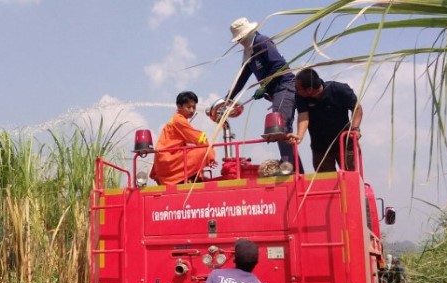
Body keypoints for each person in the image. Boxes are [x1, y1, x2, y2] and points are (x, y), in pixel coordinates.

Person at [227, 17, 303, 173]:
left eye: (241, 38)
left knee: (279, 124)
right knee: (280, 128)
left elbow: (279, 66)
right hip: (275, 91)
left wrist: (265, 85)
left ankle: (290, 167)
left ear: (248, 33)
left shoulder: (262, 41)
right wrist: (229, 97)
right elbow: (242, 77)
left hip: (284, 86)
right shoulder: (248, 52)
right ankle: (293, 167)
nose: (240, 41)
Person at [289, 67, 364, 172]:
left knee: (351, 180)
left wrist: (355, 129)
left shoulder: (339, 89)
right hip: (320, 149)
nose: (295, 90)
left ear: (309, 89)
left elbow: (357, 108)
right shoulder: (300, 97)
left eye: (298, 88)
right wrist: (299, 136)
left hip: (345, 145)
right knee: (325, 183)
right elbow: (303, 116)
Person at [150, 91, 216, 185]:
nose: (192, 110)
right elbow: (198, 138)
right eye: (188, 107)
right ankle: (191, 177)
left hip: (168, 158)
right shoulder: (179, 120)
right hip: (169, 159)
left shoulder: (178, 118)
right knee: (204, 150)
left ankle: (194, 175)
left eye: (194, 107)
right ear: (179, 107)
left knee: (196, 150)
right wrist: (210, 153)